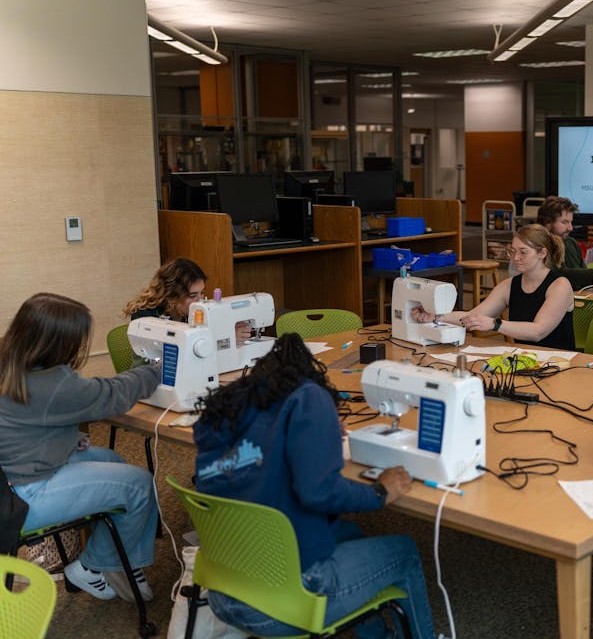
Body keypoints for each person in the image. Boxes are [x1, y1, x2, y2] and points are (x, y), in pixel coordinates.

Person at [192, 333, 437, 638]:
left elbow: (263, 457)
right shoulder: (308, 396)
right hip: (284, 599)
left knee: (351, 534)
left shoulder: (226, 412)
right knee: (405, 551)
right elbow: (319, 491)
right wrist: (379, 492)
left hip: (222, 587)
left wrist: (321, 434)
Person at [0, 293, 160, 602]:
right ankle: (91, 566)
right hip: (28, 495)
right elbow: (112, 394)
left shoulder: (9, 363)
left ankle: (120, 560)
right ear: (58, 343)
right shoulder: (52, 382)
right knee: (141, 486)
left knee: (113, 461)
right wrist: (157, 369)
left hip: (12, 479)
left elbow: (23, 423)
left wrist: (66, 439)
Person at [413, 224, 576, 351]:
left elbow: (538, 332)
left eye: (523, 252)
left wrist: (495, 324)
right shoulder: (509, 286)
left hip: (559, 362)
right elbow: (473, 316)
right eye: (513, 251)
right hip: (527, 358)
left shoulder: (560, 285)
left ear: (542, 253)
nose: (516, 258)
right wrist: (435, 317)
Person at [124, 257, 250, 345]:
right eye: (193, 295)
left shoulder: (194, 313)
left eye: (202, 293)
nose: (200, 300)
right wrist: (226, 339)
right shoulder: (146, 316)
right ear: (172, 296)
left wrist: (227, 331)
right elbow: (177, 351)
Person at [536, 196, 593, 290]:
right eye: (564, 222)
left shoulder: (571, 243)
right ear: (547, 223)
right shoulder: (539, 245)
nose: (570, 228)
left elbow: (583, 273)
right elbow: (560, 274)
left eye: (570, 222)